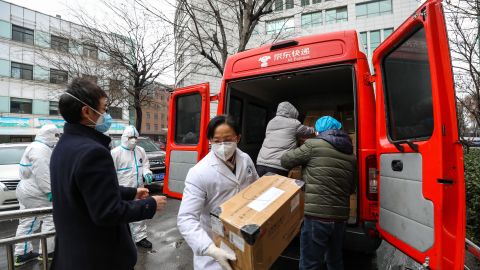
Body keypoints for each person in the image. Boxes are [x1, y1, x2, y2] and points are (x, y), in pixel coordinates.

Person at [50, 78, 167, 270]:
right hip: (99, 258)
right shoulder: (93, 152)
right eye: (104, 109)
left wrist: (130, 193)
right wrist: (149, 205)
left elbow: (91, 191)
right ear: (87, 112)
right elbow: (107, 212)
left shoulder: (63, 147)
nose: (106, 115)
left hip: (73, 254)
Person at [177, 115, 259, 270]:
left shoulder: (245, 159)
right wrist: (210, 249)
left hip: (244, 236)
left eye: (228, 140)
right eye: (217, 141)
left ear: (238, 138)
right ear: (210, 141)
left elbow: (257, 187)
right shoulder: (199, 172)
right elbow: (186, 219)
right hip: (214, 245)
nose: (222, 145)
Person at [281, 116, 356, 270]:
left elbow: (286, 161)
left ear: (318, 131)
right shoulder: (350, 154)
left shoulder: (313, 145)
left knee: (310, 264)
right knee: (335, 260)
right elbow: (351, 189)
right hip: (340, 218)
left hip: (316, 216)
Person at [13, 124, 60, 266]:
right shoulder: (41, 149)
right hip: (37, 192)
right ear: (50, 135)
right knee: (50, 219)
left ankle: (22, 253)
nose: (58, 138)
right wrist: (50, 192)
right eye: (56, 135)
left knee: (28, 221)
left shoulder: (35, 146)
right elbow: (43, 173)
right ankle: (48, 252)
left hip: (27, 190)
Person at [111, 125, 155, 249]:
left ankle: (140, 237)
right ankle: (122, 239)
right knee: (122, 215)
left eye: (135, 137)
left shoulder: (140, 150)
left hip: (139, 189)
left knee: (139, 213)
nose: (134, 140)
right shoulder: (115, 153)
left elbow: (145, 164)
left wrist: (147, 172)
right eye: (131, 137)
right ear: (124, 137)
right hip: (123, 190)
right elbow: (110, 174)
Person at [256, 101, 314, 177]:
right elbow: (308, 131)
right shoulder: (294, 123)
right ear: (292, 113)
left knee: (262, 188)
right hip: (278, 166)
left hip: (260, 163)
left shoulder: (271, 122)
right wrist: (315, 129)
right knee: (277, 189)